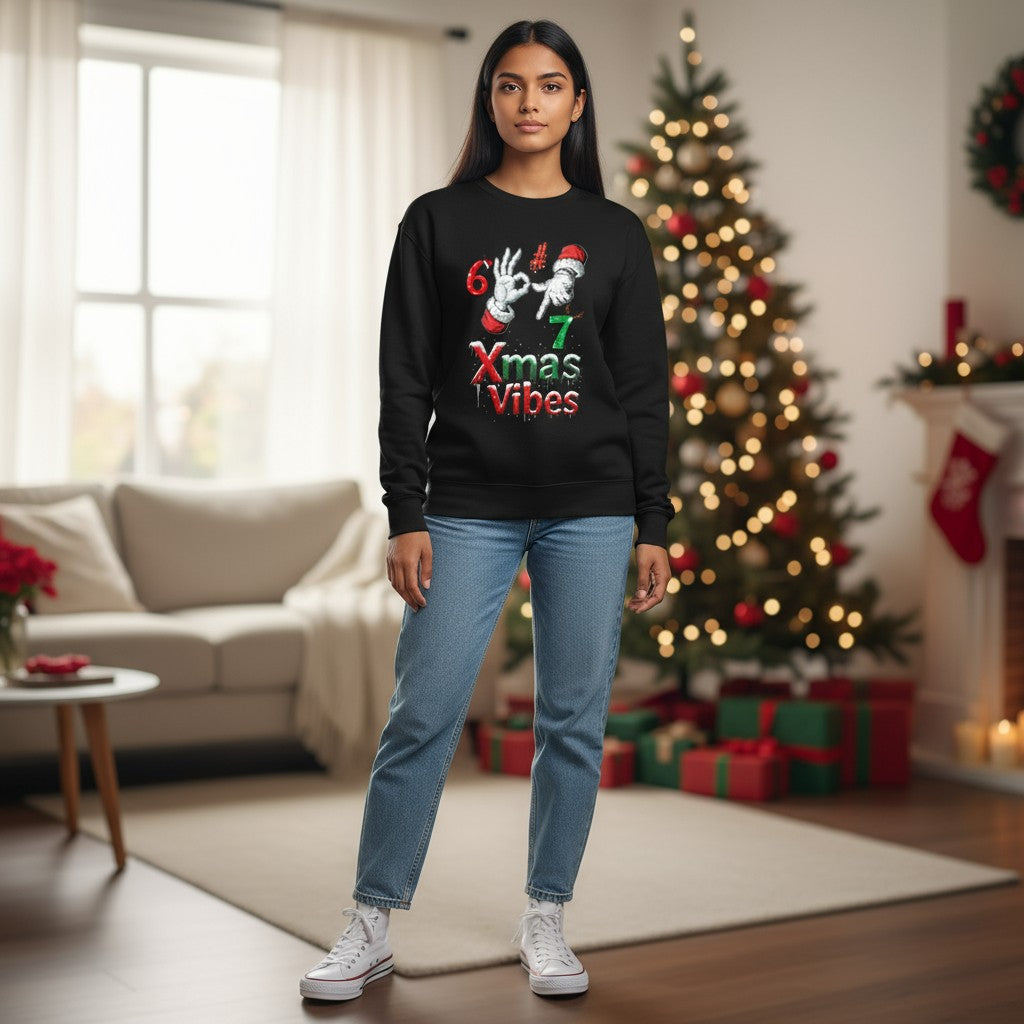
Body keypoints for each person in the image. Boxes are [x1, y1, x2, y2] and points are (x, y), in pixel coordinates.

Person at [300, 18, 673, 1003]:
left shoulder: (614, 235)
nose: (529, 102)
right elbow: (404, 379)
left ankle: (546, 915)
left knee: (572, 721)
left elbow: (642, 389)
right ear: (490, 100)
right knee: (421, 712)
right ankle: (371, 919)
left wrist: (655, 521)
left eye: (549, 85)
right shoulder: (437, 221)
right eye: (510, 85)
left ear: (577, 103)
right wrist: (405, 511)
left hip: (591, 508)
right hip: (464, 504)